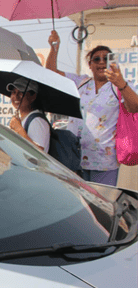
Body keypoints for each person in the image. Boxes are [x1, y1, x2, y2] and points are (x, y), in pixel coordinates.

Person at [46, 30, 138, 185]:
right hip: (74, 157)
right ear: (90, 64)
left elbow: (135, 107)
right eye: (96, 59)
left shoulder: (118, 86)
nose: (101, 62)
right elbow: (51, 73)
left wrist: (121, 84)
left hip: (104, 161)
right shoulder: (80, 82)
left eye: (106, 59)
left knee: (101, 205)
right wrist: (54, 47)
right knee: (79, 204)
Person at [7, 77, 50, 153]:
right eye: (13, 92)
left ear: (33, 96)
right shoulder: (24, 119)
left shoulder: (37, 121)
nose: (16, 96)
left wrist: (19, 130)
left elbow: (39, 153)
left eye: (21, 92)